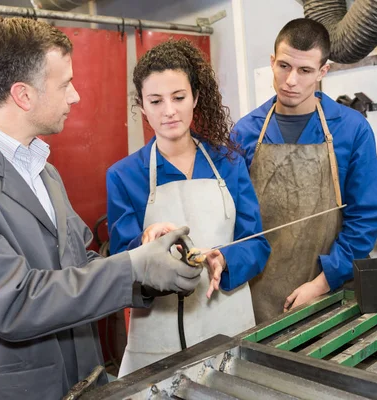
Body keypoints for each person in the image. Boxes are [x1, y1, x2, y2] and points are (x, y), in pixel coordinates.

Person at [0, 17, 202, 400]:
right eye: (65, 84)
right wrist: (132, 266)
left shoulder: (44, 172)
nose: (75, 96)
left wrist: (150, 268)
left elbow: (77, 266)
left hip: (83, 382)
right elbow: (13, 302)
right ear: (24, 95)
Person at [107, 39, 271, 377]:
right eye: (156, 101)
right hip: (158, 342)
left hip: (227, 325)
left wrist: (226, 259)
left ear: (195, 98)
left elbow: (256, 243)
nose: (169, 110)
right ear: (142, 107)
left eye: (179, 98)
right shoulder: (124, 176)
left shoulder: (229, 163)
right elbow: (121, 268)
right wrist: (146, 247)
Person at [233, 18, 377, 323]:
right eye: (284, 66)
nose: (291, 81)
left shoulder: (352, 130)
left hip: (333, 292)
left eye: (304, 71)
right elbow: (235, 222)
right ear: (273, 62)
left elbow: (365, 218)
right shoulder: (244, 133)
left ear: (322, 71)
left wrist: (321, 284)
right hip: (257, 295)